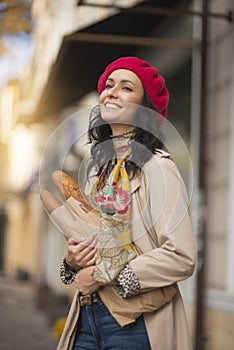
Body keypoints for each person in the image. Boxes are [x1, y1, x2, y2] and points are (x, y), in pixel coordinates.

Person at [55, 57, 196, 350]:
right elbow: (93, 241)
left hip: (135, 323)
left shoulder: (158, 167)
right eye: (109, 85)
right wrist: (73, 260)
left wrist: (109, 274)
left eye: (126, 87)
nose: (112, 92)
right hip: (86, 316)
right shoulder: (99, 172)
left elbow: (181, 255)